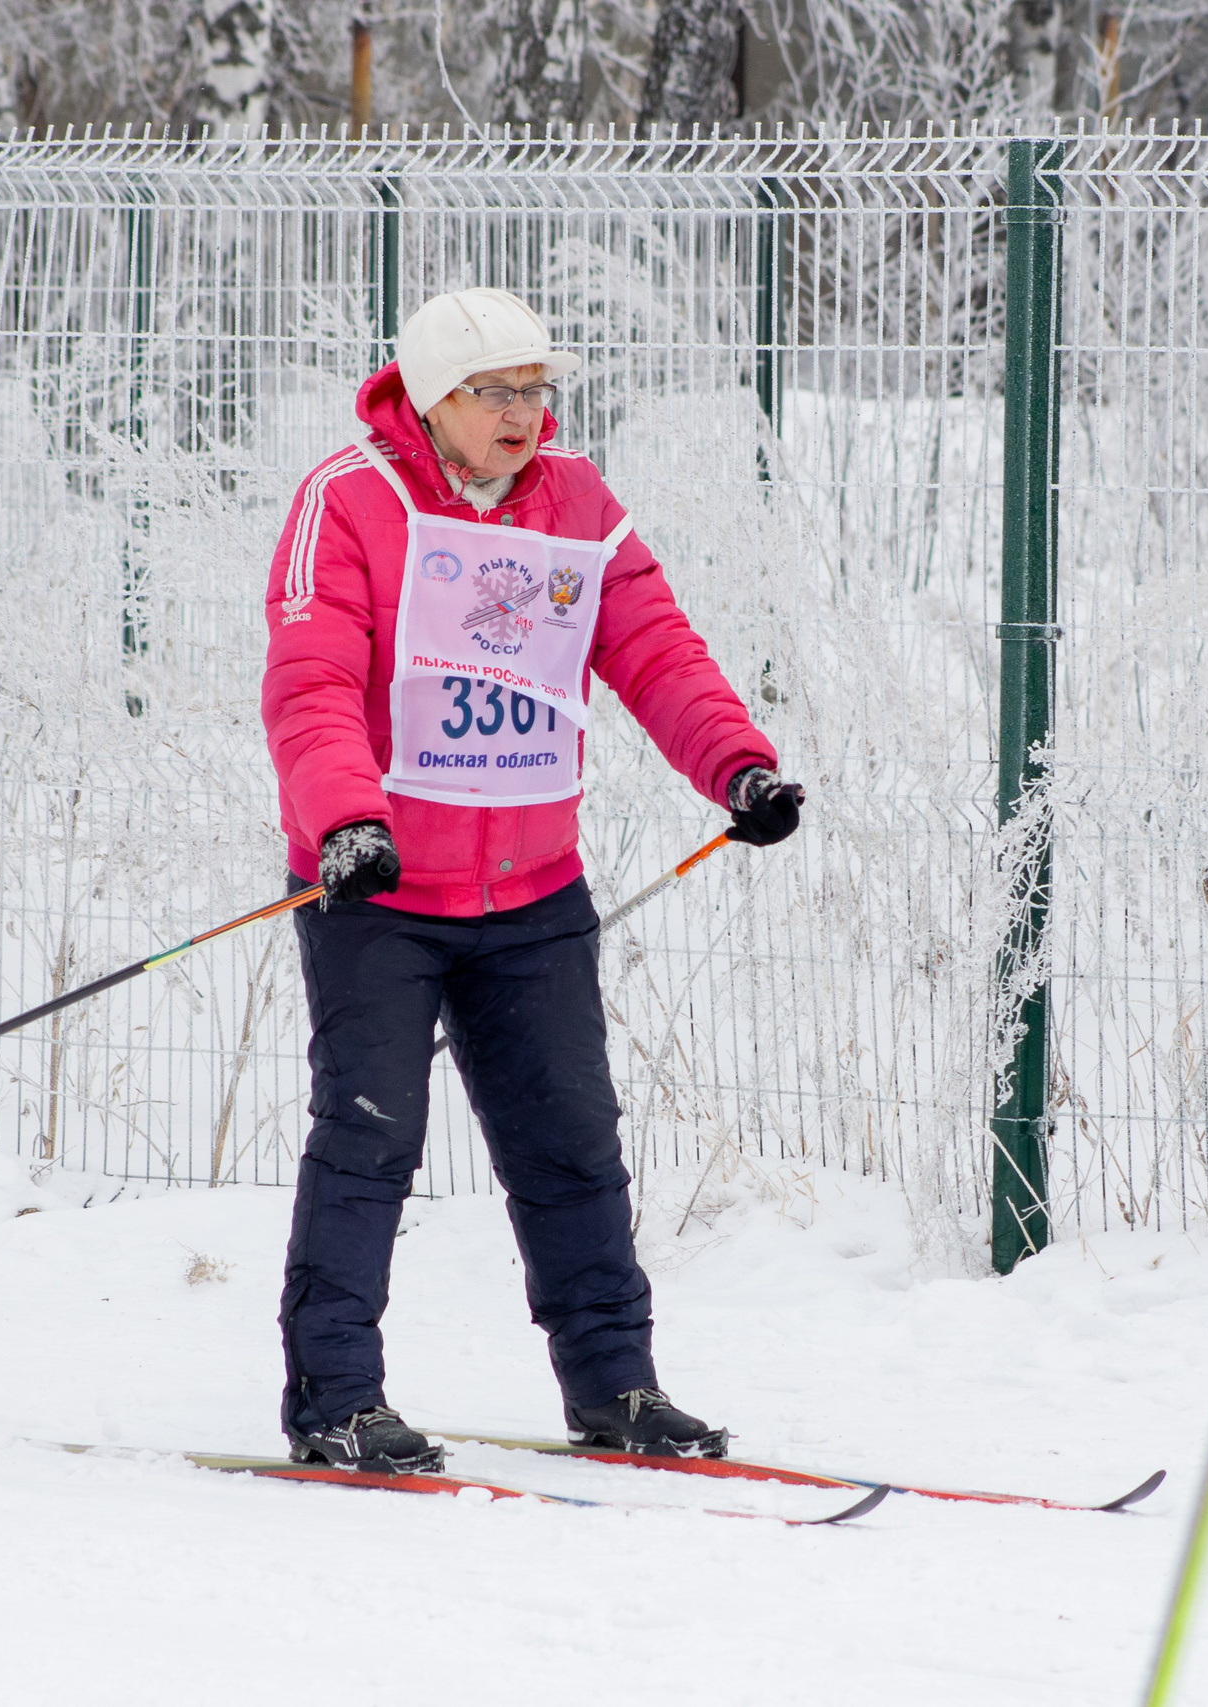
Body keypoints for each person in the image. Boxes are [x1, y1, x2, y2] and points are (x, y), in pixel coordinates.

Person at [260, 287, 803, 1475]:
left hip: (531, 888)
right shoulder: (346, 502)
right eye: (494, 392)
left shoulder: (577, 505)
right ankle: (335, 1401)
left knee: (570, 1142)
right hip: (381, 888)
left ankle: (614, 1386)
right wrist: (347, 821)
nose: (523, 414)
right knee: (369, 1142)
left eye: (534, 389)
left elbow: (655, 648)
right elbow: (308, 683)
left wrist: (740, 768)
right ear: (428, 397)